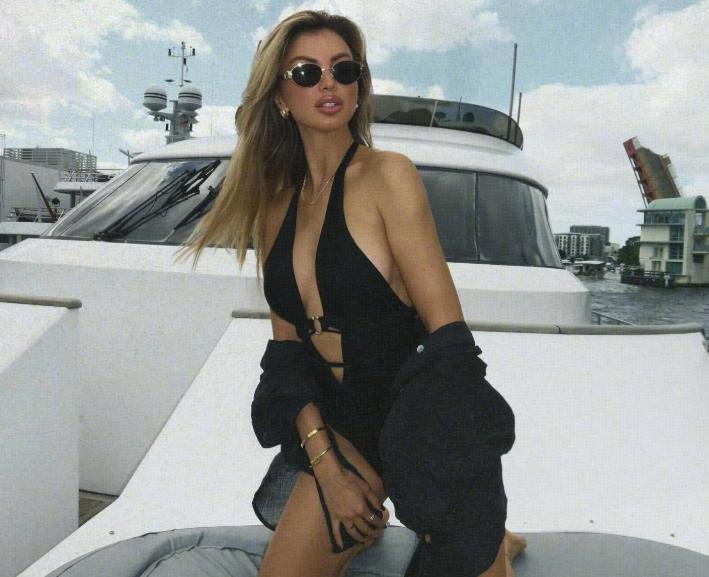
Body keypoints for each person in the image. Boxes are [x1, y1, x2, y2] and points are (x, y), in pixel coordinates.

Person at [177, 9, 526, 577]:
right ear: (280, 95)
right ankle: (393, 526)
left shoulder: (388, 175)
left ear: (360, 85)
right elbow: (288, 356)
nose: (329, 83)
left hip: (423, 417)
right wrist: (328, 467)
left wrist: (432, 488)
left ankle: (495, 542)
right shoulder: (273, 207)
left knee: (461, 552)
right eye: (306, 72)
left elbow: (449, 341)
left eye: (344, 69)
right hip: (345, 425)